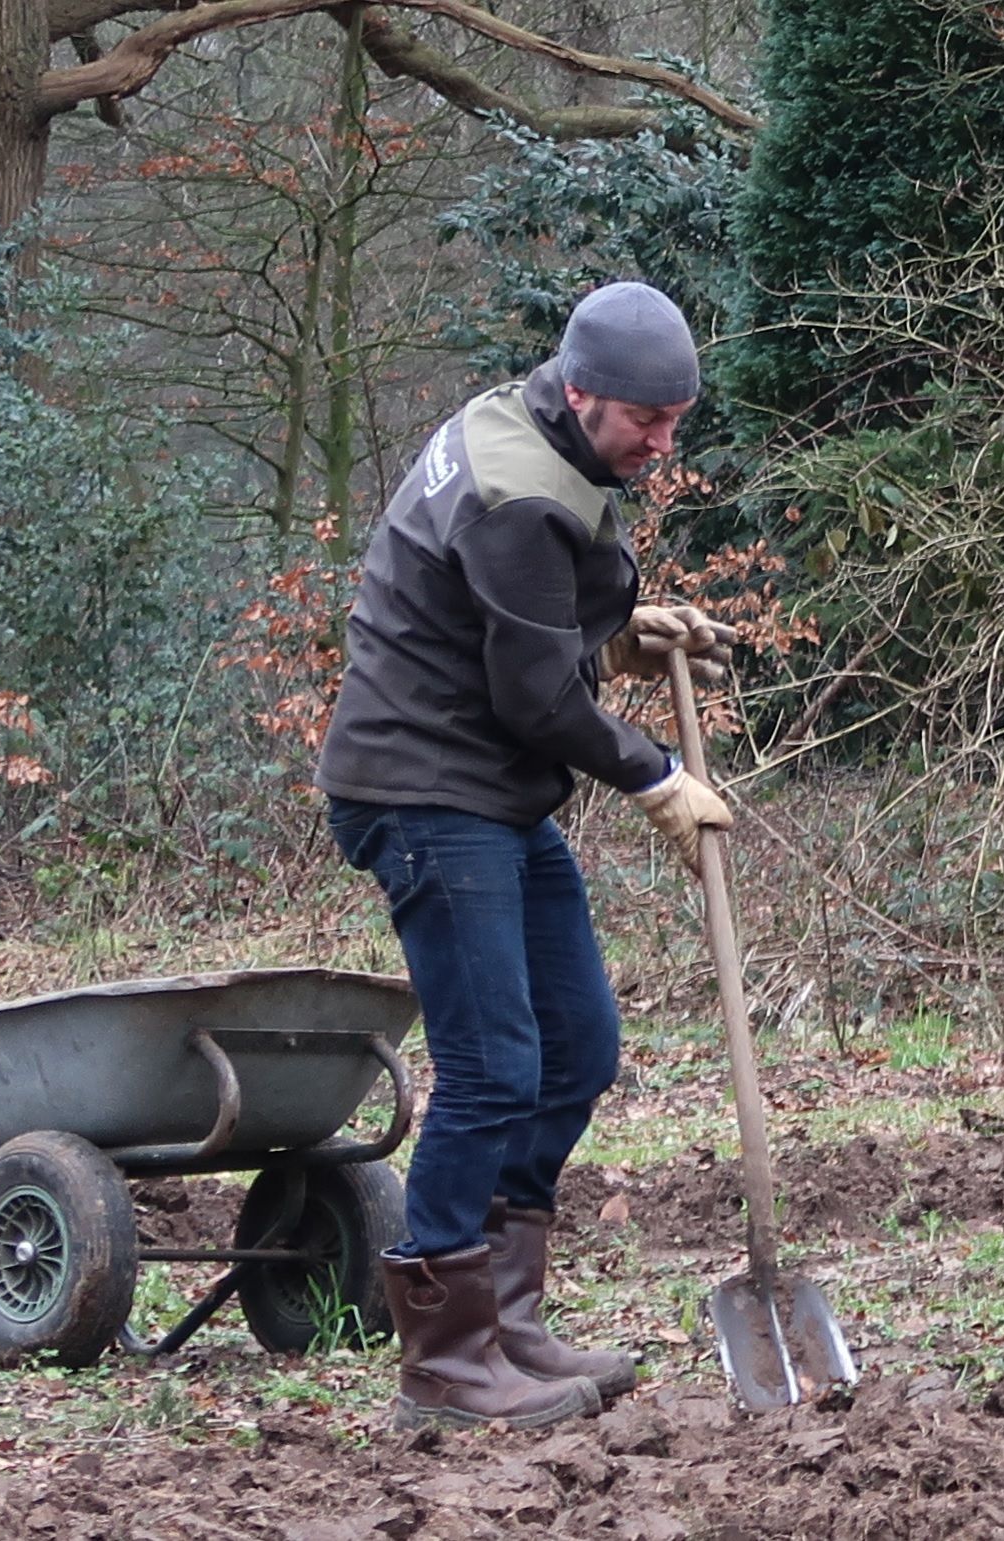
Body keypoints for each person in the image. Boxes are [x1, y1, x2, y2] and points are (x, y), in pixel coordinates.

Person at [316, 281, 742, 1429]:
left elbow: (519, 621)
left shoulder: (537, 426)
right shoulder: (517, 491)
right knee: (496, 1062)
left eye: (676, 420)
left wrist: (622, 629)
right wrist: (656, 774)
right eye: (644, 422)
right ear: (582, 388)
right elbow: (536, 695)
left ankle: (504, 1316)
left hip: (485, 785)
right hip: (422, 787)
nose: (661, 445)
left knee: (579, 1047)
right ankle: (447, 1364)